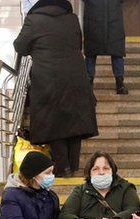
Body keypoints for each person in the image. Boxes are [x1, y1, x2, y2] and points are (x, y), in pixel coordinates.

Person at [15, 0, 98, 177]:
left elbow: (19, 46)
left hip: (48, 79)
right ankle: (73, 168)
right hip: (76, 77)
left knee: (54, 123)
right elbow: (78, 44)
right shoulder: (72, 18)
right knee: (75, 124)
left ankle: (63, 168)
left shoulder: (33, 20)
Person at [83, 0, 128, 95]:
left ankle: (88, 82)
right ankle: (120, 83)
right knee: (116, 53)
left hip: (93, 22)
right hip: (114, 24)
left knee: (91, 54)